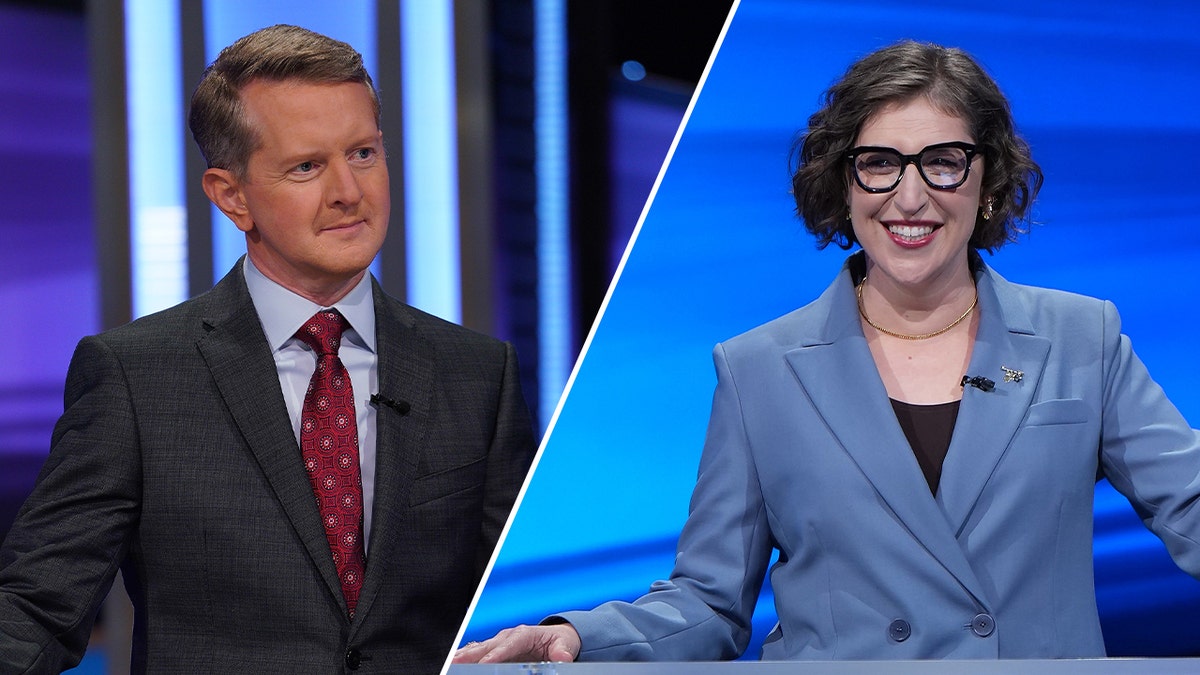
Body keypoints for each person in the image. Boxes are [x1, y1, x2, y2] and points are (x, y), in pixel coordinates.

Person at [453, 40, 1200, 663]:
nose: (910, 196)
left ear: (988, 181)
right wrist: (578, 633)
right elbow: (710, 601)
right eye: (879, 162)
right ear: (844, 183)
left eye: (942, 161)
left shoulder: (1082, 337)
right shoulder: (758, 369)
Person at [0, 25, 536, 673]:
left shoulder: (478, 374)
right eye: (307, 166)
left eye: (364, 153)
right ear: (232, 196)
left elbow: (518, 605)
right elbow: (35, 607)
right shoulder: (136, 378)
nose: (348, 191)